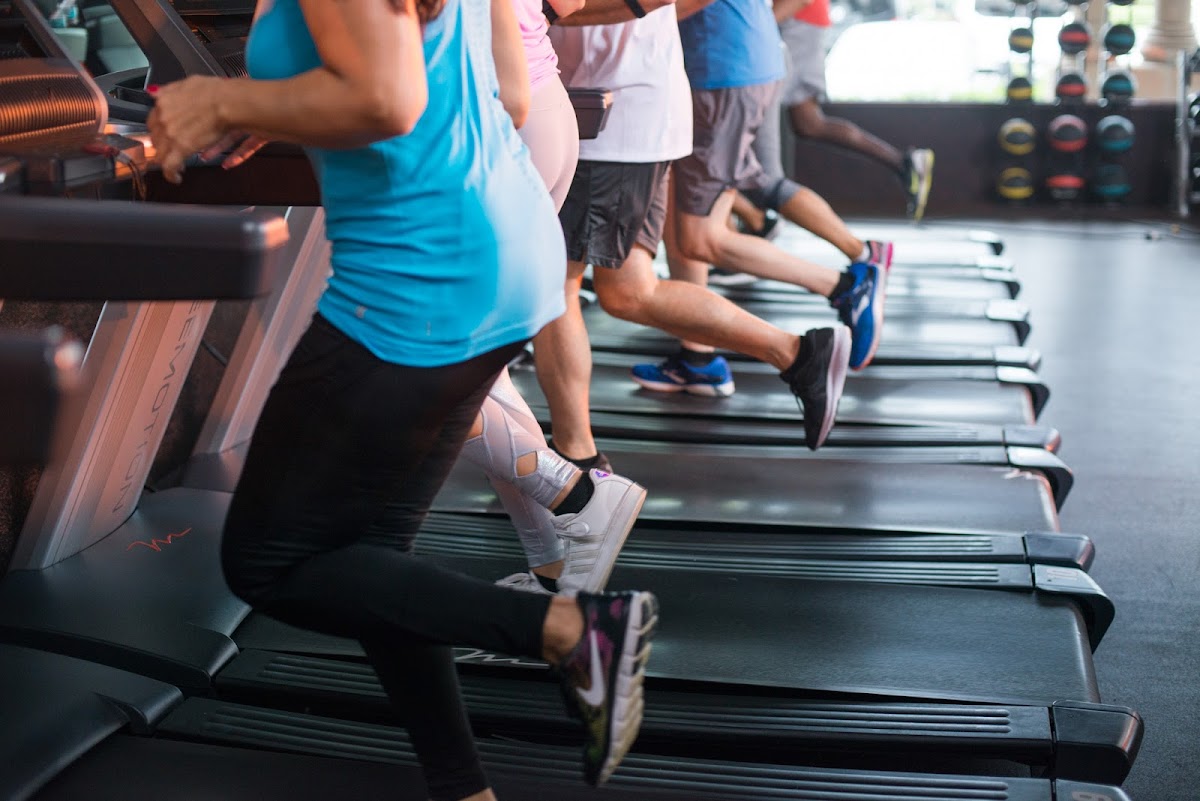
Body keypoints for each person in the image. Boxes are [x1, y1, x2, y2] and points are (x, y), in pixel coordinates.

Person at [147, 0, 656, 796]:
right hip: (498, 247)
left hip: (423, 276)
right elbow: (495, 89)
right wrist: (272, 106)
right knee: (372, 561)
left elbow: (386, 98)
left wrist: (222, 99)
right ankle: (464, 787)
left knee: (268, 562)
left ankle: (571, 628)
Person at [544, 2, 851, 453]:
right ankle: (798, 353)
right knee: (629, 291)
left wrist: (545, 13)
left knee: (557, 287)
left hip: (614, 116)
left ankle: (577, 455)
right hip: (626, 108)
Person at [457, 0, 647, 598]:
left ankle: (580, 495)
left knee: (431, 368)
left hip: (497, 120)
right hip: (546, 109)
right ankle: (552, 564)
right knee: (479, 364)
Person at [632, 0, 889, 402]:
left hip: (721, 68)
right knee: (682, 219)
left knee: (700, 237)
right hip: (723, 64)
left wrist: (612, 16)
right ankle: (697, 357)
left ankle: (845, 285)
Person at [776, 0, 934, 220]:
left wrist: (762, 23)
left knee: (759, 110)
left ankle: (760, 213)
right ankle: (904, 163)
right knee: (807, 123)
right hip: (799, 19)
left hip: (797, 18)